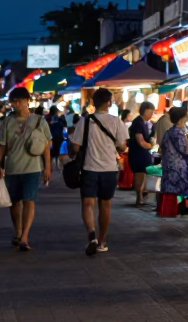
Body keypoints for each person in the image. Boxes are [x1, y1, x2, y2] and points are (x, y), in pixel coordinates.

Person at [70, 88, 130, 256]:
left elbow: (75, 147)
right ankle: (102, 242)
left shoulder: (85, 121)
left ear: (92, 103)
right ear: (109, 103)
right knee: (105, 205)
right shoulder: (117, 122)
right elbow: (123, 146)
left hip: (89, 168)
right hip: (109, 169)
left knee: (87, 204)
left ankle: (92, 237)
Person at [0, 87, 52, 251]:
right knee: (14, 203)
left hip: (33, 168)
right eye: (13, 102)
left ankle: (25, 236)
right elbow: (2, 147)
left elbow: (47, 146)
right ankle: (18, 231)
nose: (15, 105)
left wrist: (47, 167)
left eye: (18, 101)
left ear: (26, 101)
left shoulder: (39, 121)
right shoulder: (7, 121)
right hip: (13, 167)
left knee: (29, 201)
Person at [159, 106, 188, 197]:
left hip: (169, 168)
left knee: (169, 195)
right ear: (180, 120)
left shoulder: (170, 132)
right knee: (175, 195)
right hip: (177, 171)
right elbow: (186, 150)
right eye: (185, 119)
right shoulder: (177, 133)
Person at [128, 102, 155, 206]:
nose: (151, 115)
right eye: (150, 112)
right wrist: (150, 146)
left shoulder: (143, 123)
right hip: (138, 155)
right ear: (143, 111)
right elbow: (141, 142)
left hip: (141, 155)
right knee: (139, 175)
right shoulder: (138, 123)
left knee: (142, 175)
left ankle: (140, 197)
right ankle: (139, 198)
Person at [47, 105, 69, 170]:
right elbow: (64, 126)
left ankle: (51, 166)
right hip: (57, 138)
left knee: (52, 152)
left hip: (51, 138)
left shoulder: (48, 118)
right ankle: (56, 165)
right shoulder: (59, 119)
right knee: (56, 152)